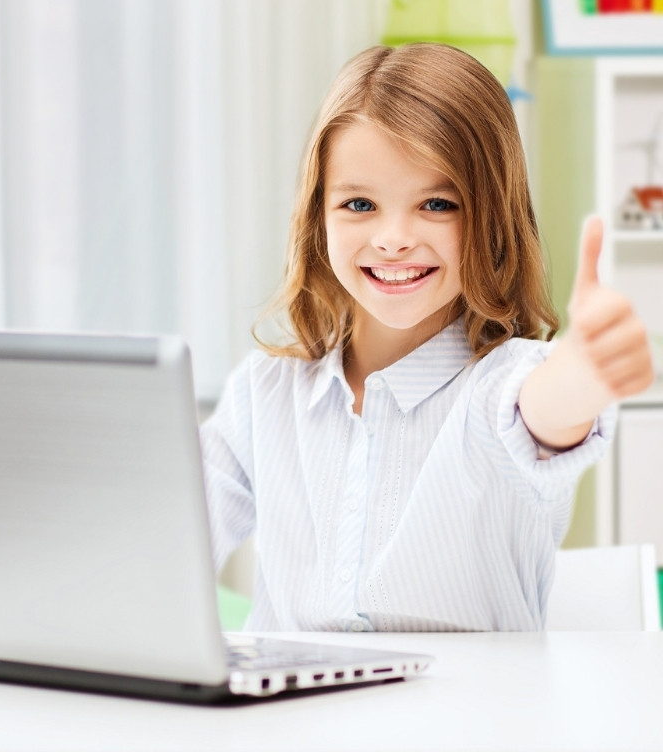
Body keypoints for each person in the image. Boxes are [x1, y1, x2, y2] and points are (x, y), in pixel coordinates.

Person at [200, 43, 654, 632]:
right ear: (319, 216)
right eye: (359, 203)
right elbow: (164, 542)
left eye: (437, 204)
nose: (393, 238)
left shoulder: (502, 386)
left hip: (465, 721)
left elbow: (546, 408)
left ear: (492, 216)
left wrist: (586, 373)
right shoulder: (264, 393)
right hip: (287, 720)